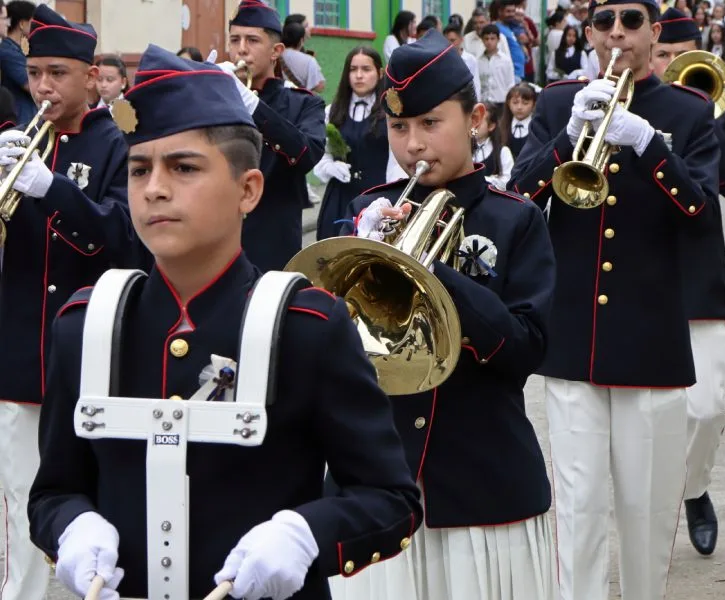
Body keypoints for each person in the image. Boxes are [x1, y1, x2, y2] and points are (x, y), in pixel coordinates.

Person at [28, 43, 423, 600]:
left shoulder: (307, 326)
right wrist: (72, 527)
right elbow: (53, 491)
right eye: (140, 168)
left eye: (184, 167)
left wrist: (306, 534)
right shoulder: (88, 326)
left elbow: (390, 499)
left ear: (248, 190)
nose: (155, 188)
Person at [328, 29, 557, 600]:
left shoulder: (515, 221)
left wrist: (435, 277)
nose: (413, 144)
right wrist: (360, 251)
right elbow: (325, 353)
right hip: (377, 481)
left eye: (431, 124)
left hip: (481, 483)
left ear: (476, 119)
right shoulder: (366, 216)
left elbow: (527, 347)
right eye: (400, 127)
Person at [508, 0, 720, 597]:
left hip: (650, 339)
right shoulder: (555, 103)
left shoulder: (687, 111)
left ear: (656, 32)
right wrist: (567, 140)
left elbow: (702, 214)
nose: (618, 33)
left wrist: (651, 146)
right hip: (574, 336)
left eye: (631, 21)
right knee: (577, 506)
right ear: (590, 33)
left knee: (646, 508)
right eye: (605, 22)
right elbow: (516, 202)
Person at [0, 5, 146, 600]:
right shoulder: (15, 141)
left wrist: (49, 187)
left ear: (92, 77)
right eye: (34, 73)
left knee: (80, 505)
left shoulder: (120, 144)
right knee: (18, 500)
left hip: (84, 353)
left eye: (57, 73)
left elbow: (120, 236)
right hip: (15, 354)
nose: (42, 87)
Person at [649, 6, 725, 558]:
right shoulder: (629, 104)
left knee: (708, 405)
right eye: (663, 55)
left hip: (698, 276)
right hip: (639, 273)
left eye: (678, 57)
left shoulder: (718, 105)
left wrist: (707, 114)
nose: (669, 65)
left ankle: (695, 489)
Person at [224, 0, 325, 270]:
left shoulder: (303, 103)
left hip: (272, 246)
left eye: (252, 40)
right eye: (235, 40)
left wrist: (252, 104)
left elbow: (307, 154)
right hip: (219, 242)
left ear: (276, 51)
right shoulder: (217, 98)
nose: (241, 49)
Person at [313, 46, 397, 240]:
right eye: (353, 69)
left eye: (366, 69)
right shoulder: (331, 111)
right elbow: (321, 154)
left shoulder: (390, 114)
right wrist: (329, 166)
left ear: (379, 72)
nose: (359, 76)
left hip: (376, 196)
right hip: (339, 197)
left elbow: (395, 161)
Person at [0, 0, 36, 123]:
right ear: (21, 23)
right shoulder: (7, 52)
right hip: (19, 119)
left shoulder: (17, 51)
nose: (36, 26)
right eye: (32, 21)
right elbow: (31, 85)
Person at [499, 82, 537, 158]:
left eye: (525, 103)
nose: (519, 107)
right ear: (508, 103)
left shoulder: (537, 127)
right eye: (515, 103)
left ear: (533, 104)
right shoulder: (501, 127)